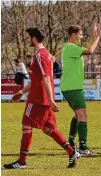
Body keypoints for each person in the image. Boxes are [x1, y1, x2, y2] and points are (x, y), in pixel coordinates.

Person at [3, 27, 80, 169]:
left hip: (38, 99)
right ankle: (71, 151)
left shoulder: (40, 55)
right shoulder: (48, 55)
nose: (28, 40)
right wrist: (22, 91)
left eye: (28, 38)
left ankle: (21, 161)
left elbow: (45, 78)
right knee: (48, 128)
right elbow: (37, 79)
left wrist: (51, 100)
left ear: (33, 38)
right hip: (41, 97)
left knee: (26, 126)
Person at [60, 24, 101, 155]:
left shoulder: (71, 47)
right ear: (73, 34)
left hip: (70, 86)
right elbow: (90, 51)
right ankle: (83, 147)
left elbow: (87, 47)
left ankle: (71, 141)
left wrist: (94, 34)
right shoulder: (71, 47)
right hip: (73, 87)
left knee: (77, 115)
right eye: (80, 34)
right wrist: (98, 37)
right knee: (83, 115)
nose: (82, 37)